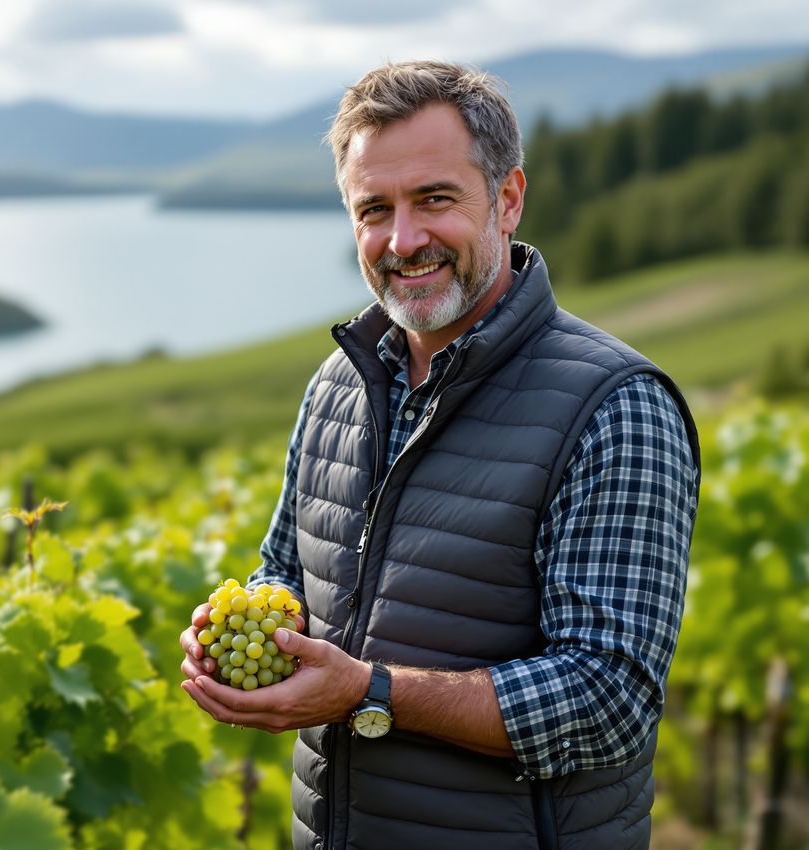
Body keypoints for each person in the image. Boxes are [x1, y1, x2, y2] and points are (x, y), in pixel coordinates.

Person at [179, 60, 700, 850]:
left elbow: (609, 701)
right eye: (373, 210)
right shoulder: (336, 386)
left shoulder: (615, 407)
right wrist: (246, 627)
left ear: (508, 200)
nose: (403, 239)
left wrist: (368, 692)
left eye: (434, 199)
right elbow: (286, 569)